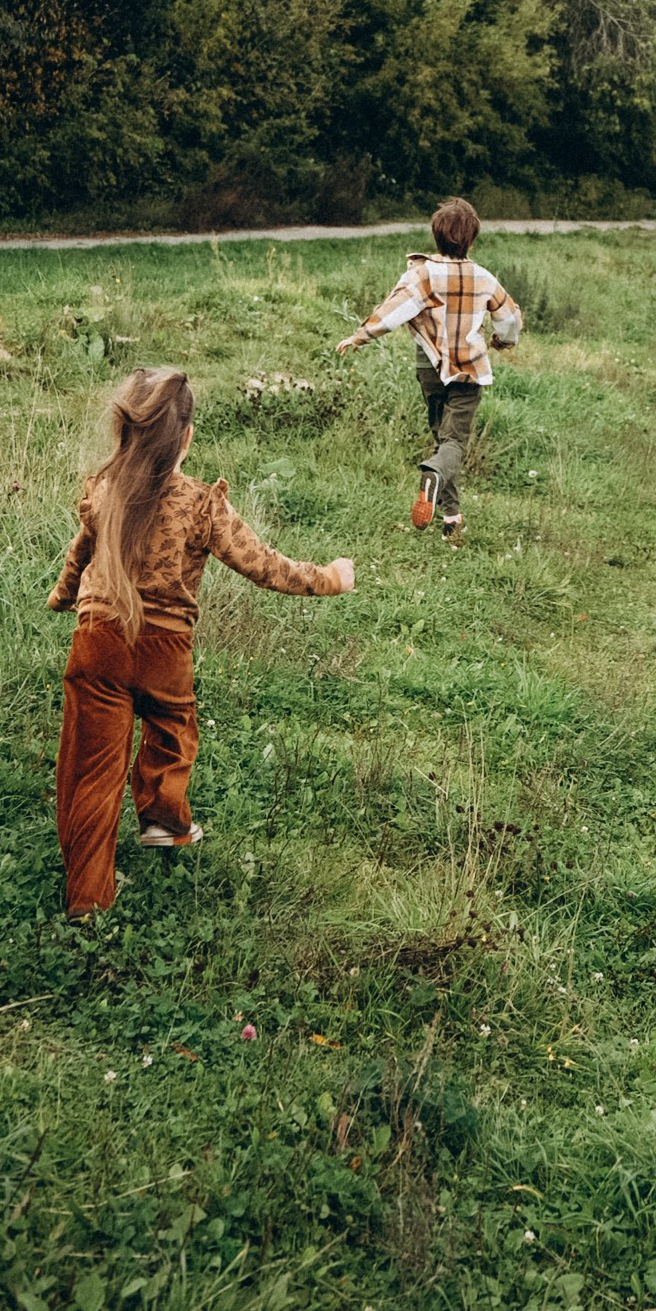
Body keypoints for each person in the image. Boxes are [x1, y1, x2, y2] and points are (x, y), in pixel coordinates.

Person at [46, 365, 355, 918]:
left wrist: (64, 595)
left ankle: (88, 899)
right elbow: (264, 565)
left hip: (98, 641)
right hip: (166, 649)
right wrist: (330, 577)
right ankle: (165, 818)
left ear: (124, 434)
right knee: (173, 725)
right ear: (186, 437)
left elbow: (81, 552)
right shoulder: (201, 503)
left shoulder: (101, 491)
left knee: (91, 771)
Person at [336, 197, 523, 545]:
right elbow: (510, 317)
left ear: (436, 235)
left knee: (442, 439)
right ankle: (435, 476)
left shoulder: (422, 274)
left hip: (430, 367)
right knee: (453, 443)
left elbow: (395, 310)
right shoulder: (483, 277)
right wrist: (502, 341)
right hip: (468, 371)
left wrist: (360, 336)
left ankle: (451, 518)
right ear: (472, 238)